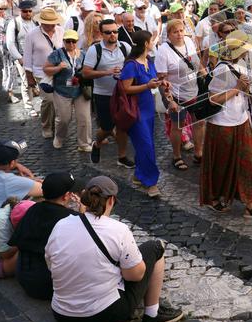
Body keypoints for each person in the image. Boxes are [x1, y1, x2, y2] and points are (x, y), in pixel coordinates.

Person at [45, 176, 184, 322]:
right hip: (102, 315)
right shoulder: (119, 230)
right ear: (111, 200)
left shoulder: (61, 225)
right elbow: (135, 276)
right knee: (155, 247)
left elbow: (51, 265)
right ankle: (152, 314)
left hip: (62, 315)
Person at [200, 30, 252, 218]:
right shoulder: (222, 70)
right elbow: (213, 99)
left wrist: (244, 89)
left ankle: (250, 205)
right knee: (222, 164)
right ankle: (216, 198)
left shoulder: (239, 64)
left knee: (248, 162)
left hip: (240, 120)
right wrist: (237, 88)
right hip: (222, 124)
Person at [10, 172, 84, 299]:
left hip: (24, 278)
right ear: (66, 196)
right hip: (51, 286)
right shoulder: (72, 218)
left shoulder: (33, 209)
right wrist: (83, 213)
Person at [118, 30, 168, 198]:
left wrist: (161, 82)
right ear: (146, 44)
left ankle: (139, 175)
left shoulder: (149, 61)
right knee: (146, 146)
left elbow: (152, 80)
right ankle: (151, 182)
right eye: (151, 41)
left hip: (148, 109)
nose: (153, 43)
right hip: (136, 111)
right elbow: (126, 88)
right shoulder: (131, 65)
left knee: (146, 144)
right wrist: (147, 86)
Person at [82, 19, 133, 167]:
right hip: (103, 94)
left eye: (115, 31)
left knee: (122, 127)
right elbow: (86, 73)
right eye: (108, 32)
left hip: (122, 93)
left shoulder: (125, 47)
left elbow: (133, 64)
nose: (113, 35)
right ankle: (97, 143)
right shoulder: (94, 50)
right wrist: (107, 72)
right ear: (101, 33)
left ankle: (122, 156)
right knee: (107, 128)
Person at [155, 19, 204, 170]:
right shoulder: (163, 51)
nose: (179, 34)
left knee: (199, 122)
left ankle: (198, 153)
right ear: (168, 34)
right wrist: (170, 101)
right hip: (176, 94)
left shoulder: (189, 42)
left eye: (181, 30)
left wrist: (205, 75)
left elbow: (197, 63)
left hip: (194, 90)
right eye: (175, 32)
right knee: (178, 126)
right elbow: (161, 80)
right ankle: (176, 156)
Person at [43, 29, 92, 152]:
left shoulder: (84, 54)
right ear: (64, 41)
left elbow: (89, 69)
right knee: (64, 119)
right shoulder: (57, 54)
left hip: (81, 90)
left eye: (73, 41)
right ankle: (59, 137)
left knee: (84, 118)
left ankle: (84, 143)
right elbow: (46, 69)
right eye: (68, 41)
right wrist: (58, 68)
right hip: (62, 91)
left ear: (77, 41)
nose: (71, 44)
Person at [23, 7, 64, 140]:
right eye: (48, 23)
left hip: (60, 71)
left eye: (53, 23)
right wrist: (29, 76)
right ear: (42, 22)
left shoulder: (61, 31)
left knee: (60, 101)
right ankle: (46, 126)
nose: (52, 26)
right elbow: (27, 56)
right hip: (41, 72)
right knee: (48, 100)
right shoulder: (32, 34)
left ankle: (57, 125)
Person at [0, 198, 33, 279]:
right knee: (31, 247)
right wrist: (26, 240)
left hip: (9, 251)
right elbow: (5, 254)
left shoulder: (20, 207)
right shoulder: (0, 223)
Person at [5, 0, 39, 115]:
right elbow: (10, 43)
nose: (28, 13)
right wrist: (19, 57)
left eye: (30, 11)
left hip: (36, 55)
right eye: (25, 11)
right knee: (26, 81)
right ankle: (29, 106)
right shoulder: (14, 23)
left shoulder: (35, 22)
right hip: (22, 55)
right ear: (20, 11)